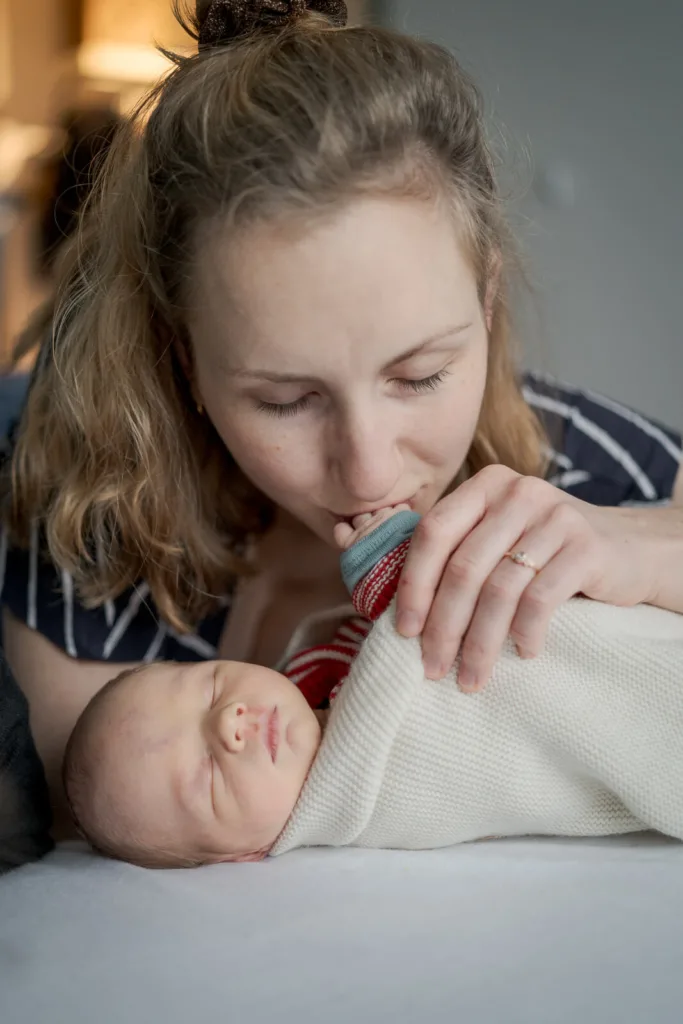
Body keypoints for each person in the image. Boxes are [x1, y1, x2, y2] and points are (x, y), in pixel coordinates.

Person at [2, 0, 682, 837]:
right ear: (187, 361)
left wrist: (655, 551)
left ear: (487, 299)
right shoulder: (92, 513)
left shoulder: (589, 472)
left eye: (421, 374)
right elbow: (91, 851)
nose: (366, 470)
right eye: (284, 400)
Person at [62, 504, 683, 868]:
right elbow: (437, 677)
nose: (229, 722)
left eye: (209, 689)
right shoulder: (366, 797)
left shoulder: (313, 685)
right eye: (203, 777)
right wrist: (397, 576)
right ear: (236, 857)